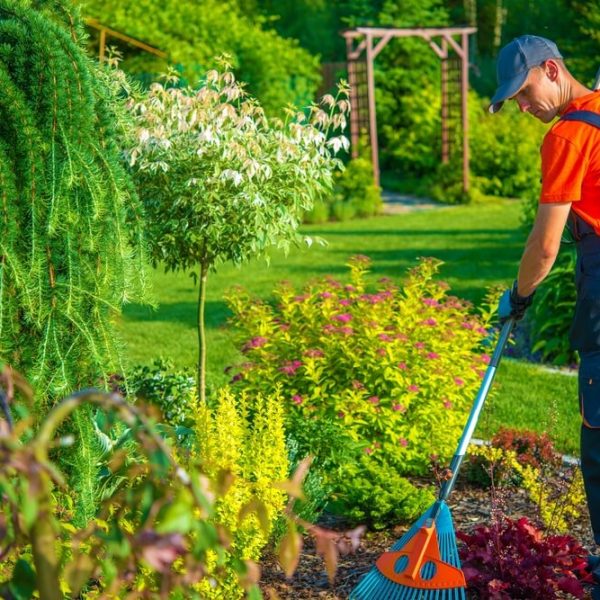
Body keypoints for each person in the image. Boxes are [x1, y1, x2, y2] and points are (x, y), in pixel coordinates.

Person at [491, 34, 600, 595]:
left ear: (552, 70)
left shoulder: (570, 133)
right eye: (512, 100)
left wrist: (521, 294)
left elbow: (546, 244)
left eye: (525, 91)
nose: (522, 106)